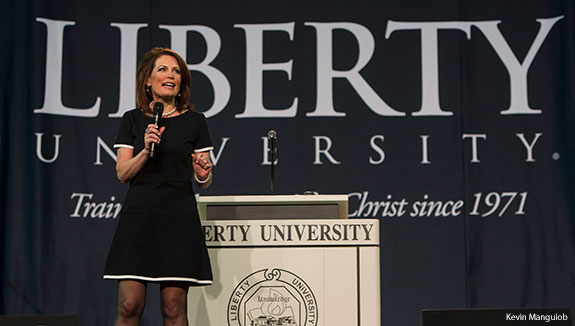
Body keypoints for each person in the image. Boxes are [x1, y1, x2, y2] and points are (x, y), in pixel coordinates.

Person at [104, 47, 214, 326]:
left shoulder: (195, 121)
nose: (171, 75)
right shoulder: (132, 119)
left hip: (178, 217)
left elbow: (204, 177)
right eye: (163, 69)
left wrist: (202, 173)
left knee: (173, 308)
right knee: (129, 305)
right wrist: (145, 149)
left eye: (176, 71)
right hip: (139, 216)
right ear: (148, 81)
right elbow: (122, 173)